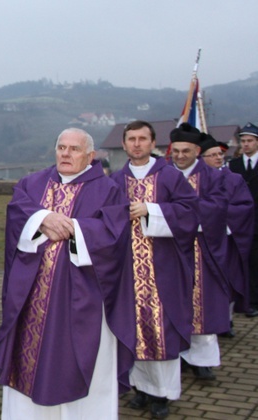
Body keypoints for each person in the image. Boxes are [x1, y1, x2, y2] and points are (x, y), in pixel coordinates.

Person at [0, 128, 135, 419]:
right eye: (61, 147)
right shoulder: (33, 183)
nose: (66, 154)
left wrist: (74, 228)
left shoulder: (108, 190)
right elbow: (17, 212)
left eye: (74, 149)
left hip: (84, 302)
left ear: (90, 156)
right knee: (26, 365)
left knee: (78, 365)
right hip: (30, 300)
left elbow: (114, 236)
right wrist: (41, 218)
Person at [110, 120, 199, 418]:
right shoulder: (113, 181)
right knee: (129, 327)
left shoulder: (170, 177)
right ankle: (138, 387)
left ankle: (161, 393)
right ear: (123, 144)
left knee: (161, 329)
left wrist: (152, 210)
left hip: (163, 268)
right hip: (125, 271)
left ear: (153, 143)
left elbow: (190, 212)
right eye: (131, 139)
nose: (136, 144)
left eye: (142, 139)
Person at [168, 124, 230, 383]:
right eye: (176, 151)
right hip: (169, 250)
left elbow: (218, 207)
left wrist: (182, 213)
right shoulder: (163, 174)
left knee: (201, 305)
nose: (180, 156)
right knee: (172, 304)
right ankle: (177, 355)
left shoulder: (212, 176)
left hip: (201, 248)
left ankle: (202, 361)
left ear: (197, 151)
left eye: (186, 151)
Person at [200, 134, 255, 334]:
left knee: (228, 281)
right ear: (201, 158)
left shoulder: (234, 179)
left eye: (220, 154)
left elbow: (244, 207)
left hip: (226, 241)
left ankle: (227, 320)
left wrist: (219, 219)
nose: (218, 158)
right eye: (212, 154)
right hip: (200, 243)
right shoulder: (194, 181)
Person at [227, 122, 258, 318]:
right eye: (243, 141)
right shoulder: (234, 165)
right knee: (244, 261)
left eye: (250, 141)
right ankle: (248, 300)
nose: (246, 144)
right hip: (241, 223)